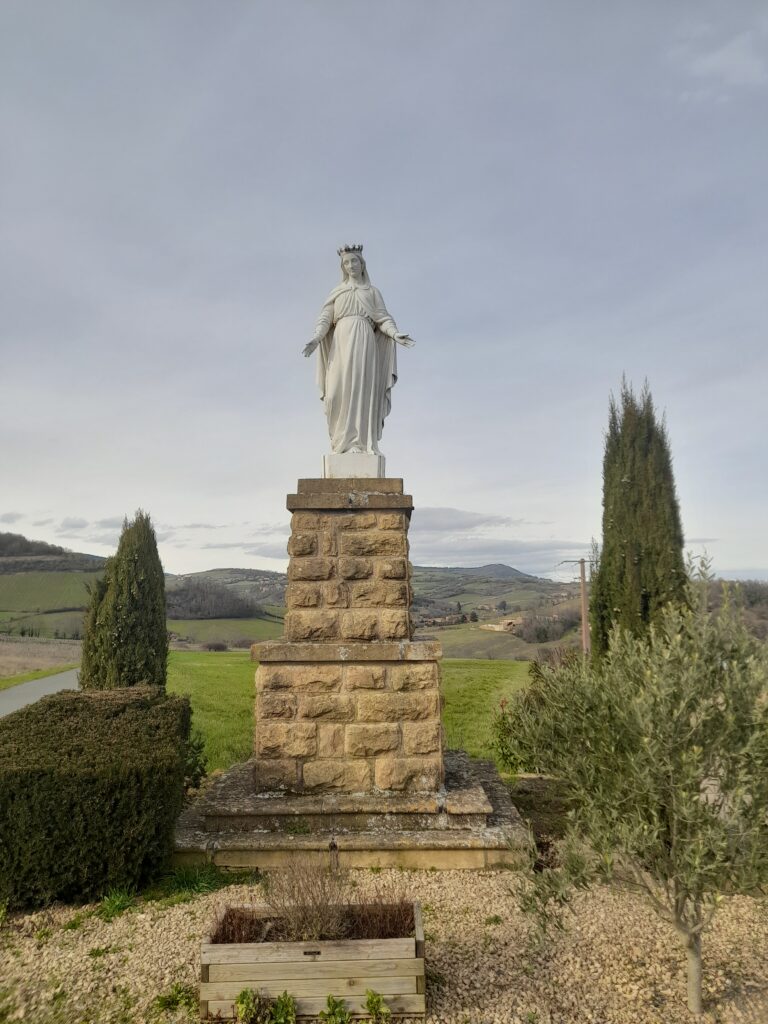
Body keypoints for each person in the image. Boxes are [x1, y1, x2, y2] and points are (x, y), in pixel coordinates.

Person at [303, 244, 414, 455]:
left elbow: (382, 318)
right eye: (346, 263)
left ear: (362, 264)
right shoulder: (337, 292)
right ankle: (341, 443)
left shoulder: (372, 292)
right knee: (335, 392)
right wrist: (317, 338)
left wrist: (394, 334)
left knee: (361, 390)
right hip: (340, 344)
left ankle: (359, 443)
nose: (350, 265)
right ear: (342, 267)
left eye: (354, 261)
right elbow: (325, 318)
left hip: (364, 342)